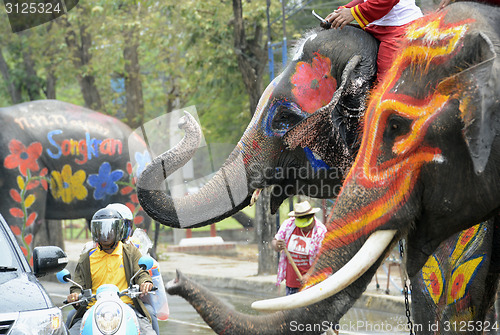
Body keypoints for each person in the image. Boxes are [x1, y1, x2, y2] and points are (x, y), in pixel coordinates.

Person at [66, 207, 156, 335]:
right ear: (95, 231)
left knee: (149, 332)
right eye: (101, 230)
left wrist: (145, 282)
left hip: (127, 307)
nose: (105, 234)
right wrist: (74, 295)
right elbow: (77, 286)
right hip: (93, 310)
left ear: (118, 230)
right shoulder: (87, 258)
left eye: (110, 229)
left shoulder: (130, 252)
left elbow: (141, 272)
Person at [325, 0, 422, 78]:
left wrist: (352, 13)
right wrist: (342, 12)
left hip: (401, 28)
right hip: (374, 26)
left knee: (387, 79)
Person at [272, 201, 327, 295]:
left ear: (312, 216)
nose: (303, 228)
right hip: (292, 283)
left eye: (306, 225)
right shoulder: (289, 225)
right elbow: (274, 242)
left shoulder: (320, 232)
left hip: (312, 282)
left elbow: (322, 258)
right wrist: (277, 245)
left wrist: (309, 274)